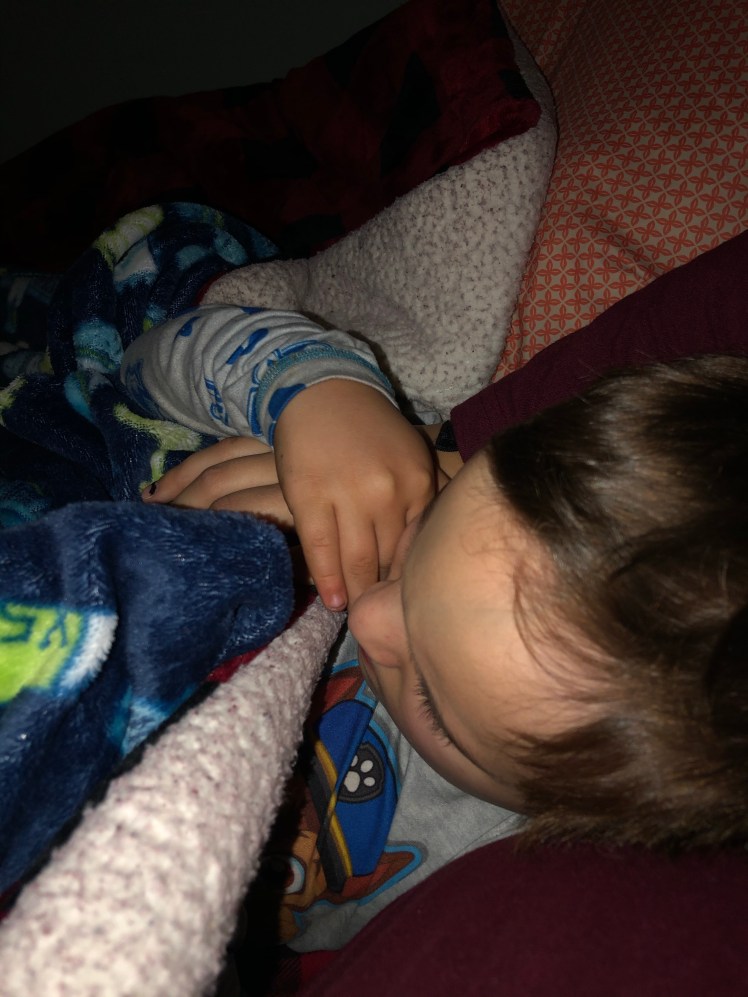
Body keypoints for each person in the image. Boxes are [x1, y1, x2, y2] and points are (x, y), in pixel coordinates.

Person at [120, 230, 748, 949]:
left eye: (435, 705)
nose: (368, 614)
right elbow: (135, 360)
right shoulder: (411, 473)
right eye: (427, 536)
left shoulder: (496, 894)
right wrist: (316, 390)